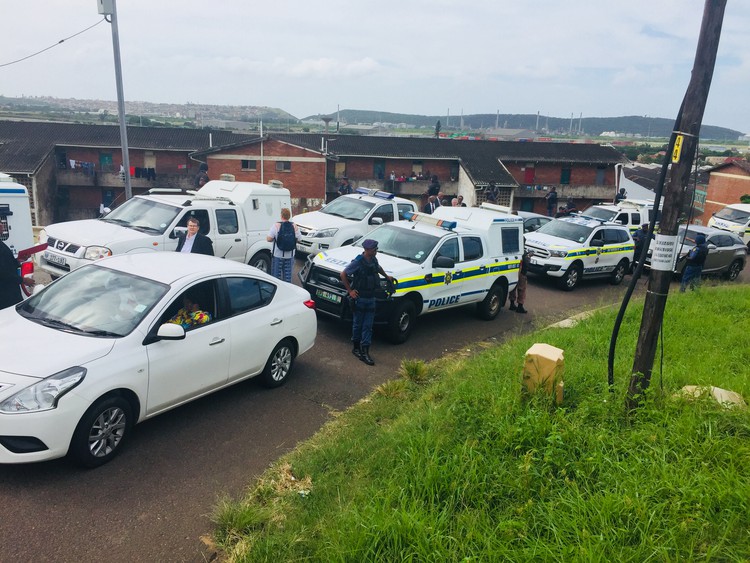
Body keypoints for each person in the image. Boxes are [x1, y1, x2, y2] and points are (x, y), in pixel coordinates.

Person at [340, 239, 392, 366]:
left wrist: (386, 276)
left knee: (368, 326)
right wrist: (350, 291)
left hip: (371, 297)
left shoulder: (373, 260)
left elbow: (378, 268)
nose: (376, 251)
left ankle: (365, 351)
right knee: (358, 324)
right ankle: (356, 348)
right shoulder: (358, 261)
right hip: (360, 298)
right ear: (367, 250)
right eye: (374, 249)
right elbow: (343, 274)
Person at [0, 222, 34, 309]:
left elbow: (7, 264)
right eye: (0, 223)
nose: (2, 225)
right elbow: (3, 273)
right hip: (6, 294)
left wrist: (19, 260)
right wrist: (23, 280)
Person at [267, 208, 299, 283]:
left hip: (277, 254)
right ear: (289, 216)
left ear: (281, 216)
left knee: (276, 278)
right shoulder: (294, 226)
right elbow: (299, 238)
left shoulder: (276, 225)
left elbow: (269, 239)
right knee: (287, 278)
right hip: (290, 256)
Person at [509, 250, 530, 314]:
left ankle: (512, 304)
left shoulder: (513, 251)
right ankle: (520, 306)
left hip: (513, 270)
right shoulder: (524, 253)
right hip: (521, 272)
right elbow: (526, 264)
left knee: (513, 287)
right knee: (522, 289)